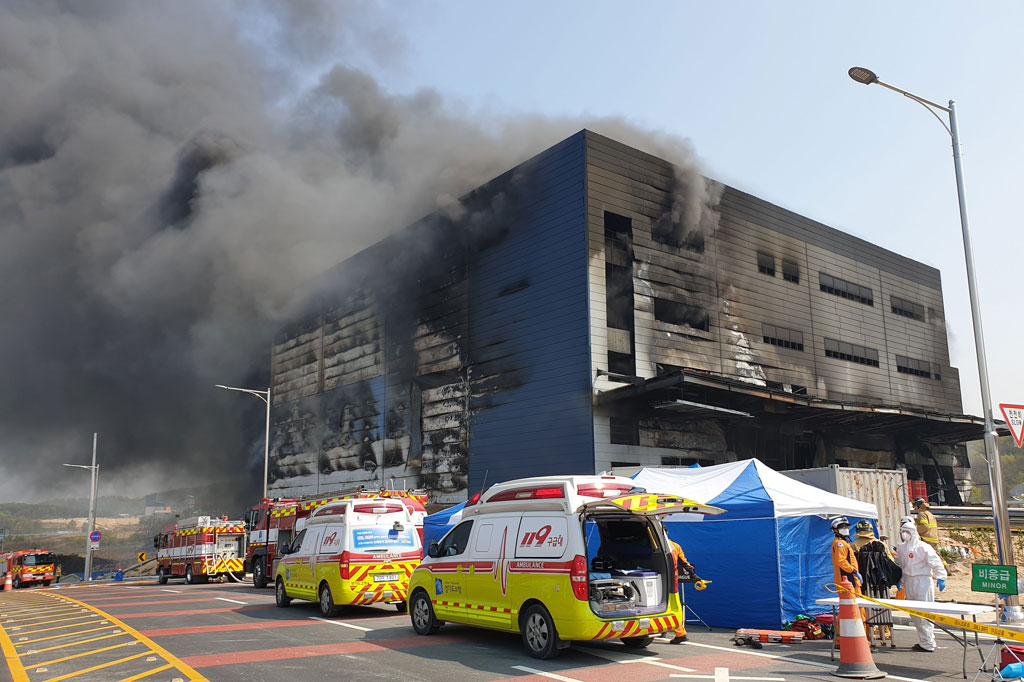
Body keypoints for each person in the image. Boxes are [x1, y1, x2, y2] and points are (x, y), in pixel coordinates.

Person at [896, 519, 947, 653]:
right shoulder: (901, 548)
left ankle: (929, 643)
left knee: (925, 612)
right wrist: (900, 580)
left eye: (907, 531)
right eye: (903, 531)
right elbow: (902, 566)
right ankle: (924, 641)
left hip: (923, 581)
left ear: (913, 532)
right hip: (909, 581)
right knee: (914, 613)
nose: (904, 534)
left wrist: (941, 577)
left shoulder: (923, 547)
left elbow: (936, 562)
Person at [668, 537, 690, 644]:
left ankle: (680, 632)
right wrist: (693, 575)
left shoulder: (653, 542)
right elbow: (684, 563)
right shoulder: (675, 546)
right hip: (672, 581)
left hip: (662, 580)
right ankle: (679, 632)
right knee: (675, 606)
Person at [830, 517, 861, 592]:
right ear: (835, 530)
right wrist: (854, 571)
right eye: (842, 527)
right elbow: (841, 561)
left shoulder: (845, 542)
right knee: (851, 601)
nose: (845, 529)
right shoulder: (839, 543)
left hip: (851, 578)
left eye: (846, 526)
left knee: (857, 601)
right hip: (846, 578)